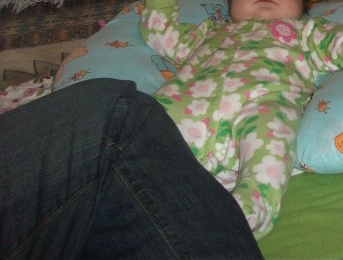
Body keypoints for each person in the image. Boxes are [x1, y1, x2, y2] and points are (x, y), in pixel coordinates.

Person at [141, 0, 343, 239]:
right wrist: (162, 1)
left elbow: (336, 41)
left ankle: (244, 214)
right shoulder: (210, 33)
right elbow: (164, 37)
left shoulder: (304, 31)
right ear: (231, 2)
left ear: (302, 6)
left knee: (272, 145)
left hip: (266, 102)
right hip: (192, 103)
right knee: (149, 121)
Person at [0, 77, 264, 259]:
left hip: (247, 111)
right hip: (179, 125)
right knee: (123, 116)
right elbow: (166, 33)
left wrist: (250, 207)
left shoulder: (288, 45)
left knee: (122, 118)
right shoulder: (209, 33)